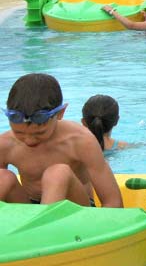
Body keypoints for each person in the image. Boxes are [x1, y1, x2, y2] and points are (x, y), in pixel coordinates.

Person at [0, 73, 123, 207]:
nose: (29, 141)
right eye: (19, 133)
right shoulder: (6, 144)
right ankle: (38, 224)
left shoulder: (80, 140)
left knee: (58, 173)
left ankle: (43, 225)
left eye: (39, 133)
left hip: (75, 209)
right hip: (30, 208)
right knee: (2, 177)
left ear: (60, 113)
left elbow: (113, 201)